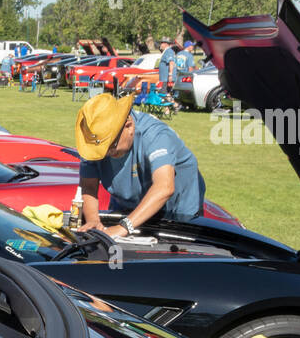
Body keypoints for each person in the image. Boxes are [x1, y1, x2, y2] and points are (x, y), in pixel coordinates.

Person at [75, 92, 205, 237]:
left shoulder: (155, 135)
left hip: (177, 210)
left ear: (129, 127)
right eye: (100, 149)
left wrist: (124, 227)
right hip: (128, 204)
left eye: (110, 146)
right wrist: (93, 220)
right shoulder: (93, 139)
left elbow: (164, 187)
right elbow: (88, 186)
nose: (105, 153)